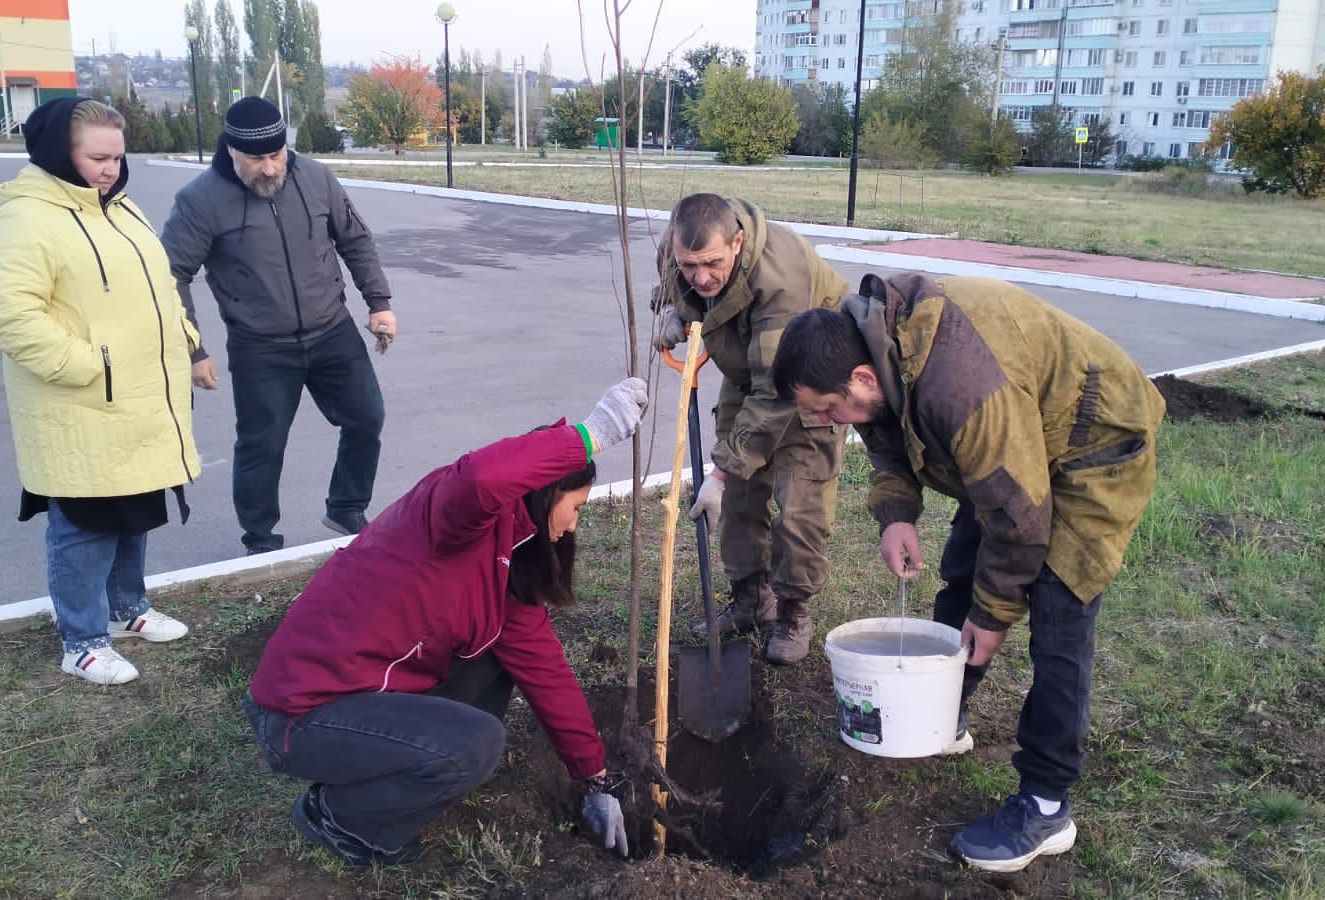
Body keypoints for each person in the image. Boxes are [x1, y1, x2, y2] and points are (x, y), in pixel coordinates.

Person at [770, 273, 1164, 873]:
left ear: (862, 378)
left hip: (1091, 446)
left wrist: (994, 614)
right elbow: (883, 430)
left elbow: (1021, 517)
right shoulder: (873, 346)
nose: (832, 422)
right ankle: (943, 713)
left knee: (1061, 618)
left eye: (829, 409)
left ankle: (1046, 803)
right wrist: (896, 513)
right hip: (1018, 446)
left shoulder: (959, 386)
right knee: (962, 573)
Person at [242, 378, 648, 867]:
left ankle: (398, 769)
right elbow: (480, 477)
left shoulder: (507, 564)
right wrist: (590, 435)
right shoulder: (450, 520)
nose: (573, 525)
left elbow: (547, 672)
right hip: (299, 715)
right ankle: (339, 816)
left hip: (362, 696)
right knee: (474, 744)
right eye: (575, 508)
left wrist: (593, 779)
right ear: (545, 496)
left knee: (497, 667)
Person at [0, 98, 202, 685]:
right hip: (80, 402)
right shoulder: (25, 218)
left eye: (117, 157)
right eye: (97, 157)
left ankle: (129, 610)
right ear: (60, 151)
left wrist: (184, 337)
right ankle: (81, 640)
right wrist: (87, 365)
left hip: (138, 396)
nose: (110, 168)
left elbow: (162, 288)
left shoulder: (121, 210)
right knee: (85, 525)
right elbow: (13, 317)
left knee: (133, 512)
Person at [161, 96, 397, 554]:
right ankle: (260, 539)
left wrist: (379, 302)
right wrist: (192, 349)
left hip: (331, 329)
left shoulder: (315, 178)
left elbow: (355, 240)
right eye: (256, 158)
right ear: (231, 150)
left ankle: (347, 505)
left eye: (276, 155)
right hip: (260, 346)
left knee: (368, 417)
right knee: (262, 446)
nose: (269, 169)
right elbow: (170, 276)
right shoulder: (200, 200)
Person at [650, 193, 850, 664]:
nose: (700, 276)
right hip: (748, 367)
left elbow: (777, 390)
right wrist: (673, 310)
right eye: (689, 264)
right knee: (739, 500)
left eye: (711, 263)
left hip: (808, 378)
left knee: (800, 507)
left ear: (737, 242)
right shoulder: (678, 245)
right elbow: (673, 286)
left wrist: (719, 472)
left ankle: (793, 611)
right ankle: (750, 599)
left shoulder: (781, 277)